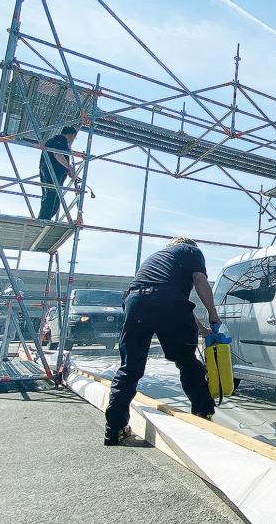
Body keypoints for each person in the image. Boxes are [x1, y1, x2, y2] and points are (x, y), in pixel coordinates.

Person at [104, 237, 221, 445]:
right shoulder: (191, 250)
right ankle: (203, 414)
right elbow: (199, 281)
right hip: (167, 302)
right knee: (187, 361)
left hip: (135, 301)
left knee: (130, 367)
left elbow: (168, 295)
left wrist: (202, 328)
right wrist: (213, 314)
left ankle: (114, 429)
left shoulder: (157, 258)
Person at [38, 126, 79, 220]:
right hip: (53, 174)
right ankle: (43, 221)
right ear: (72, 135)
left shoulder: (53, 140)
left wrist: (67, 169)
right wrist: (70, 168)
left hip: (49, 172)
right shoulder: (61, 139)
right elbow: (58, 155)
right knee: (52, 200)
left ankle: (43, 220)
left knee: (51, 199)